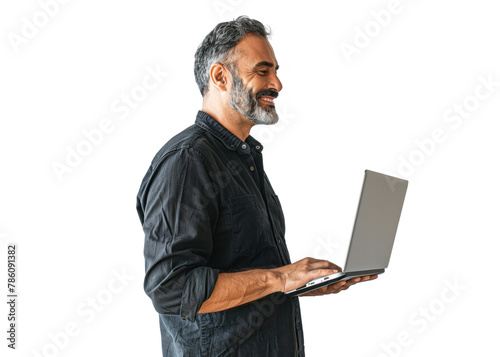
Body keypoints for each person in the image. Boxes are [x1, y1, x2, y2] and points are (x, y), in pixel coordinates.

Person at [136, 16, 377, 356]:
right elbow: (171, 288)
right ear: (220, 76)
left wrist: (297, 285)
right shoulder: (188, 161)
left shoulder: (241, 157)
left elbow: (241, 269)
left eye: (275, 70)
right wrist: (280, 278)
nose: (277, 83)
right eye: (262, 71)